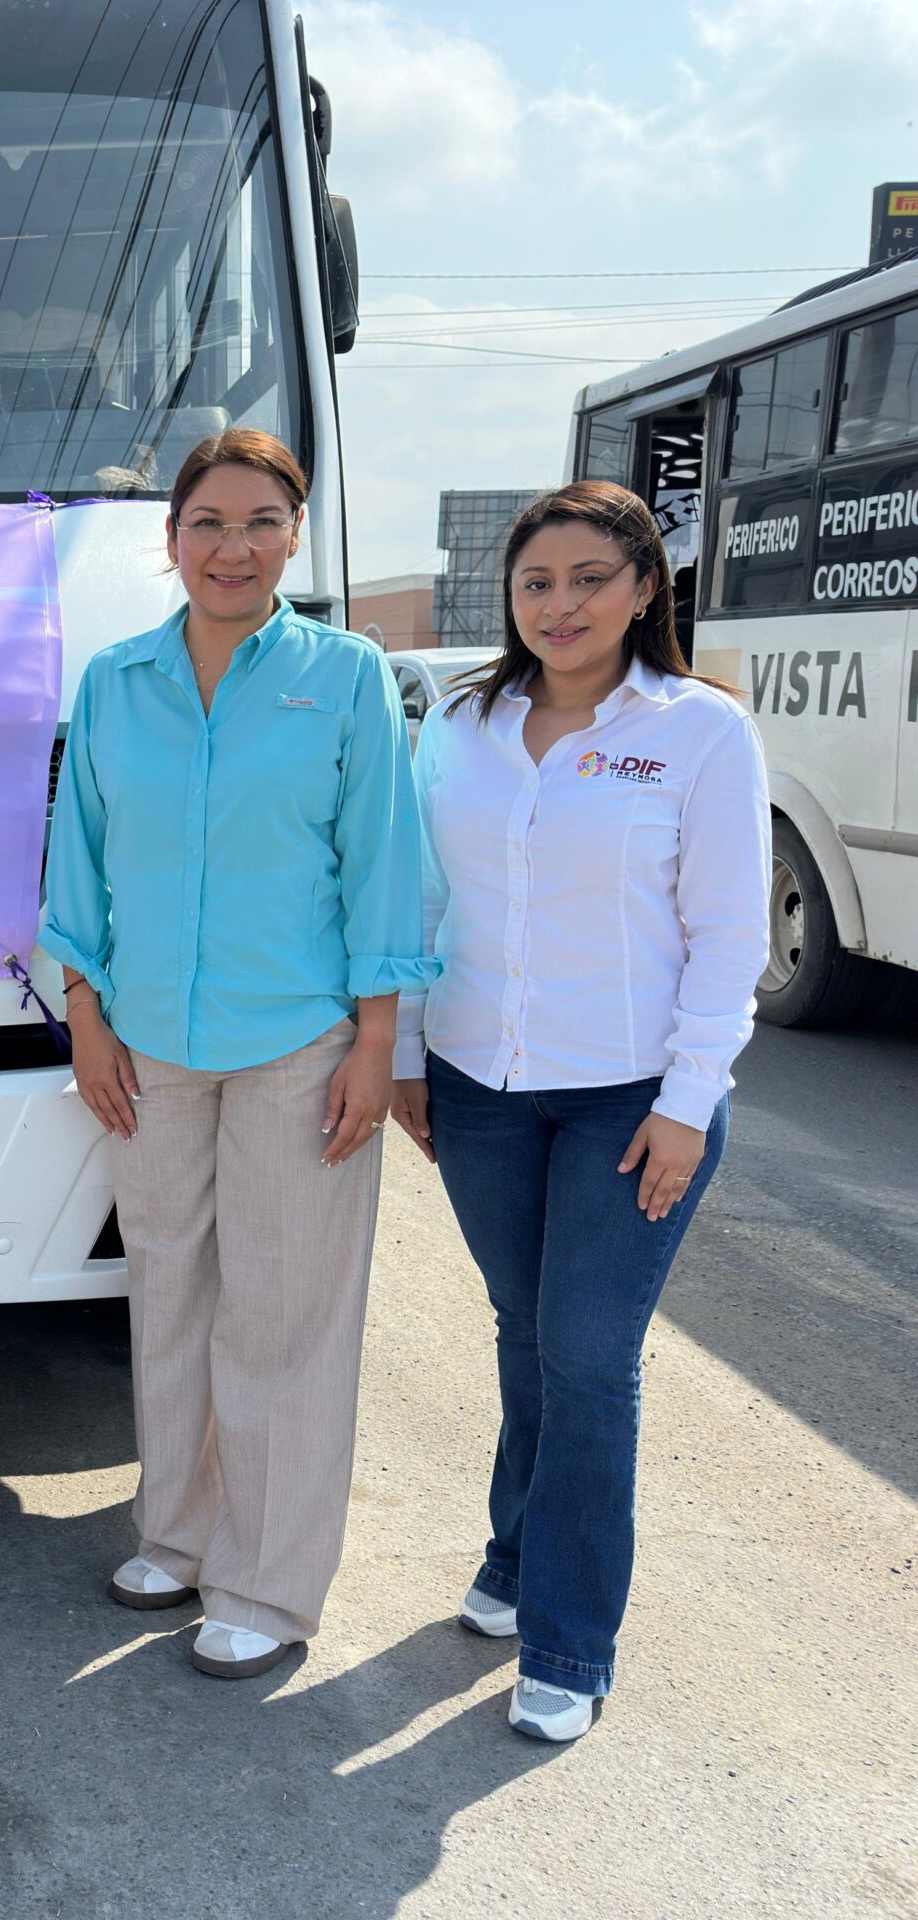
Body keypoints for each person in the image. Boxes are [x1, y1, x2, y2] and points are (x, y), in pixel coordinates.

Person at [41, 429, 432, 1679]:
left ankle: (266, 1584)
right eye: (207, 522)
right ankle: (178, 1533)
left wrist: (377, 1042)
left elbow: (383, 863)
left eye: (262, 521)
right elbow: (77, 858)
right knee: (169, 1297)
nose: (233, 547)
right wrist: (86, 1015)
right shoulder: (115, 682)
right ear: (169, 540)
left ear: (294, 536)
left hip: (298, 1042)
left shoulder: (346, 675)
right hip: (148, 1040)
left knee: (283, 1314)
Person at [388, 483, 767, 1743]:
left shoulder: (699, 731)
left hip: (630, 1099)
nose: (560, 605)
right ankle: (514, 1555)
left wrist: (686, 1104)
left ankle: (566, 1638)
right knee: (525, 1331)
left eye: (590, 579)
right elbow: (421, 900)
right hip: (477, 1086)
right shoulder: (462, 725)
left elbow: (728, 935)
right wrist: (402, 1054)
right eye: (536, 582)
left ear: (645, 587)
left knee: (589, 1359)